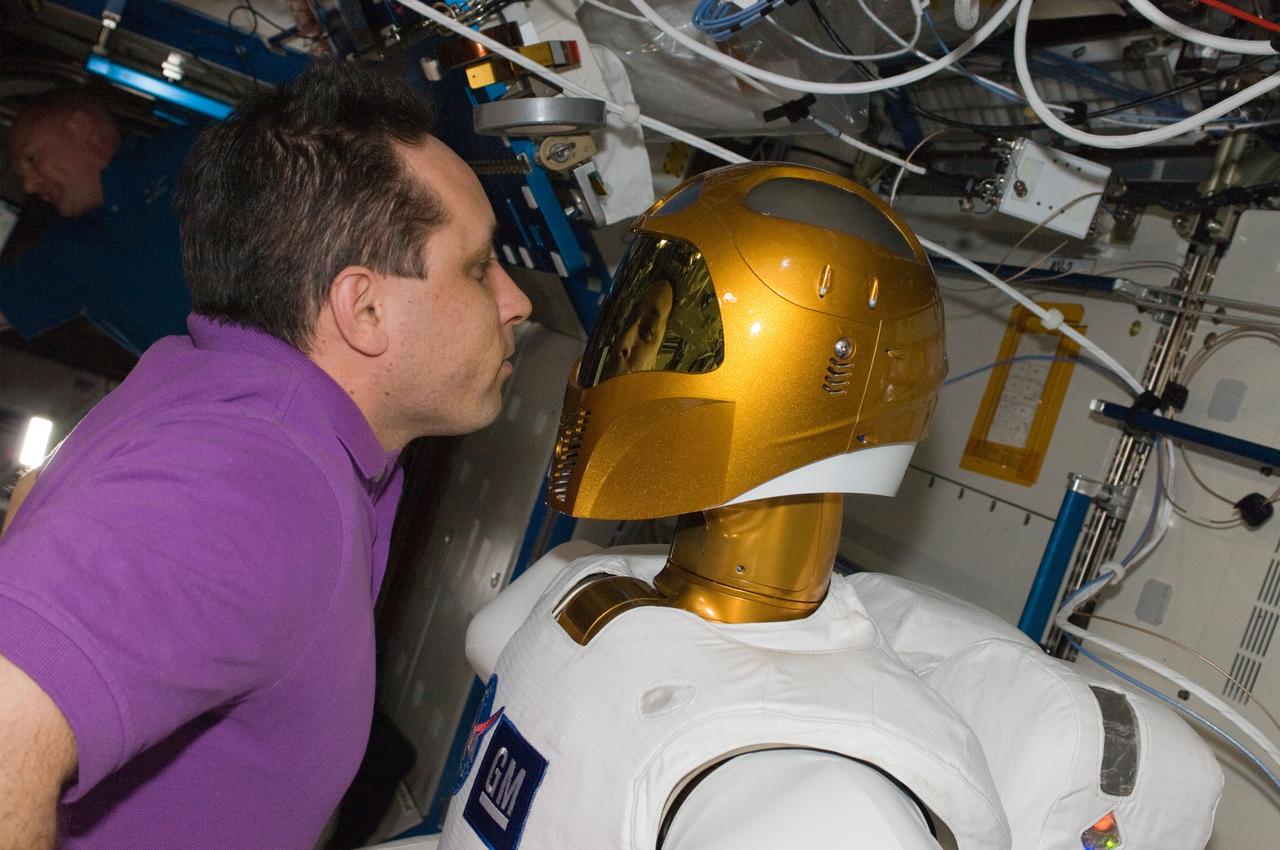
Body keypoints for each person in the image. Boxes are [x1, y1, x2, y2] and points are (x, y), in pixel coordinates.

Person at [442, 163, 1223, 850]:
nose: (619, 361)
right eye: (635, 328)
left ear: (810, 380)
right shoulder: (581, 589)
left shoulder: (823, 808)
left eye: (667, 338)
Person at [0, 61, 531, 850]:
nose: (517, 301)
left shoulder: (221, 385)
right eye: (478, 266)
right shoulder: (248, 483)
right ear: (365, 308)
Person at [1, 89, 196, 354]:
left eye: (32, 159)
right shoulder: (68, 251)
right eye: (21, 175)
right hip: (237, 392)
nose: (29, 184)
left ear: (81, 128)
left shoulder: (187, 155)